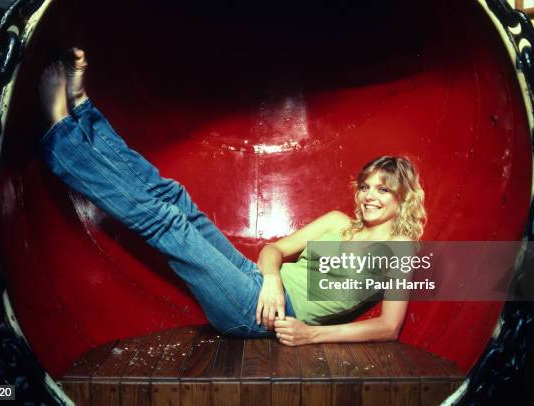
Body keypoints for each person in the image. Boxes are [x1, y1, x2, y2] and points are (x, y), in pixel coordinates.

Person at [38, 48, 426, 346]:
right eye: (366, 186)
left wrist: (311, 334)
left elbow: (388, 327)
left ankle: (62, 139)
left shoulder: (400, 251)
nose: (369, 196)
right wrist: (271, 276)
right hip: (258, 282)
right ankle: (85, 112)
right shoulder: (338, 223)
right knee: (177, 200)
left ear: (402, 198)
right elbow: (275, 248)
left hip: (258, 316)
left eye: (383, 189)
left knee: (169, 224)